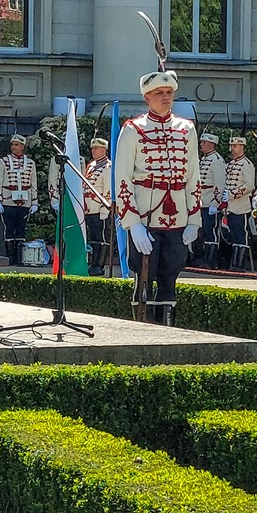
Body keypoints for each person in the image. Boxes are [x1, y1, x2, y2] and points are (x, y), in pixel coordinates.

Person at [113, 69, 201, 326]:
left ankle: (168, 329)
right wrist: (132, 223)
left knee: (170, 273)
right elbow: (122, 177)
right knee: (143, 275)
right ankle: (142, 329)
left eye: (169, 93)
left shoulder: (186, 129)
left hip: (177, 216)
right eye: (159, 93)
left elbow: (193, 175)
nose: (166, 98)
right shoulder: (133, 129)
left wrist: (194, 218)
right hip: (145, 213)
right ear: (147, 98)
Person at [0, 134, 37, 269]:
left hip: (24, 202)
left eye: (17, 145)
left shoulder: (30, 163)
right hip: (8, 201)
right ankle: (10, 257)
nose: (14, 147)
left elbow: (33, 184)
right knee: (9, 229)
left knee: (21, 229)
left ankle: (20, 257)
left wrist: (34, 202)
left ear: (23, 146)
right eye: (12, 144)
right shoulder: (3, 162)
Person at [80, 136, 115, 278]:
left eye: (96, 148)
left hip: (100, 208)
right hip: (89, 207)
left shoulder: (108, 166)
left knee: (101, 238)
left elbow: (108, 189)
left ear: (104, 150)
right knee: (94, 238)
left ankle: (99, 266)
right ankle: (93, 264)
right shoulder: (92, 165)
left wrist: (105, 209)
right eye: (92, 148)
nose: (93, 151)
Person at [219, 138, 255, 262]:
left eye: (234, 146)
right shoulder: (230, 164)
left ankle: (239, 263)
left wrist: (232, 194)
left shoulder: (247, 164)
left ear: (242, 147)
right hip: (230, 206)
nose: (231, 149)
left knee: (241, 234)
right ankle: (233, 262)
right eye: (231, 146)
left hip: (241, 206)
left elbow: (249, 185)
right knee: (233, 234)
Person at [194, 133, 226, 264]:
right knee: (203, 230)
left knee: (210, 230)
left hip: (210, 200)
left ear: (212, 144)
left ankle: (211, 260)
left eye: (204, 142)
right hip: (202, 200)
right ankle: (203, 257)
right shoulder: (204, 159)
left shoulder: (217, 160)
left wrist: (216, 202)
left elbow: (219, 183)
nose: (201, 144)